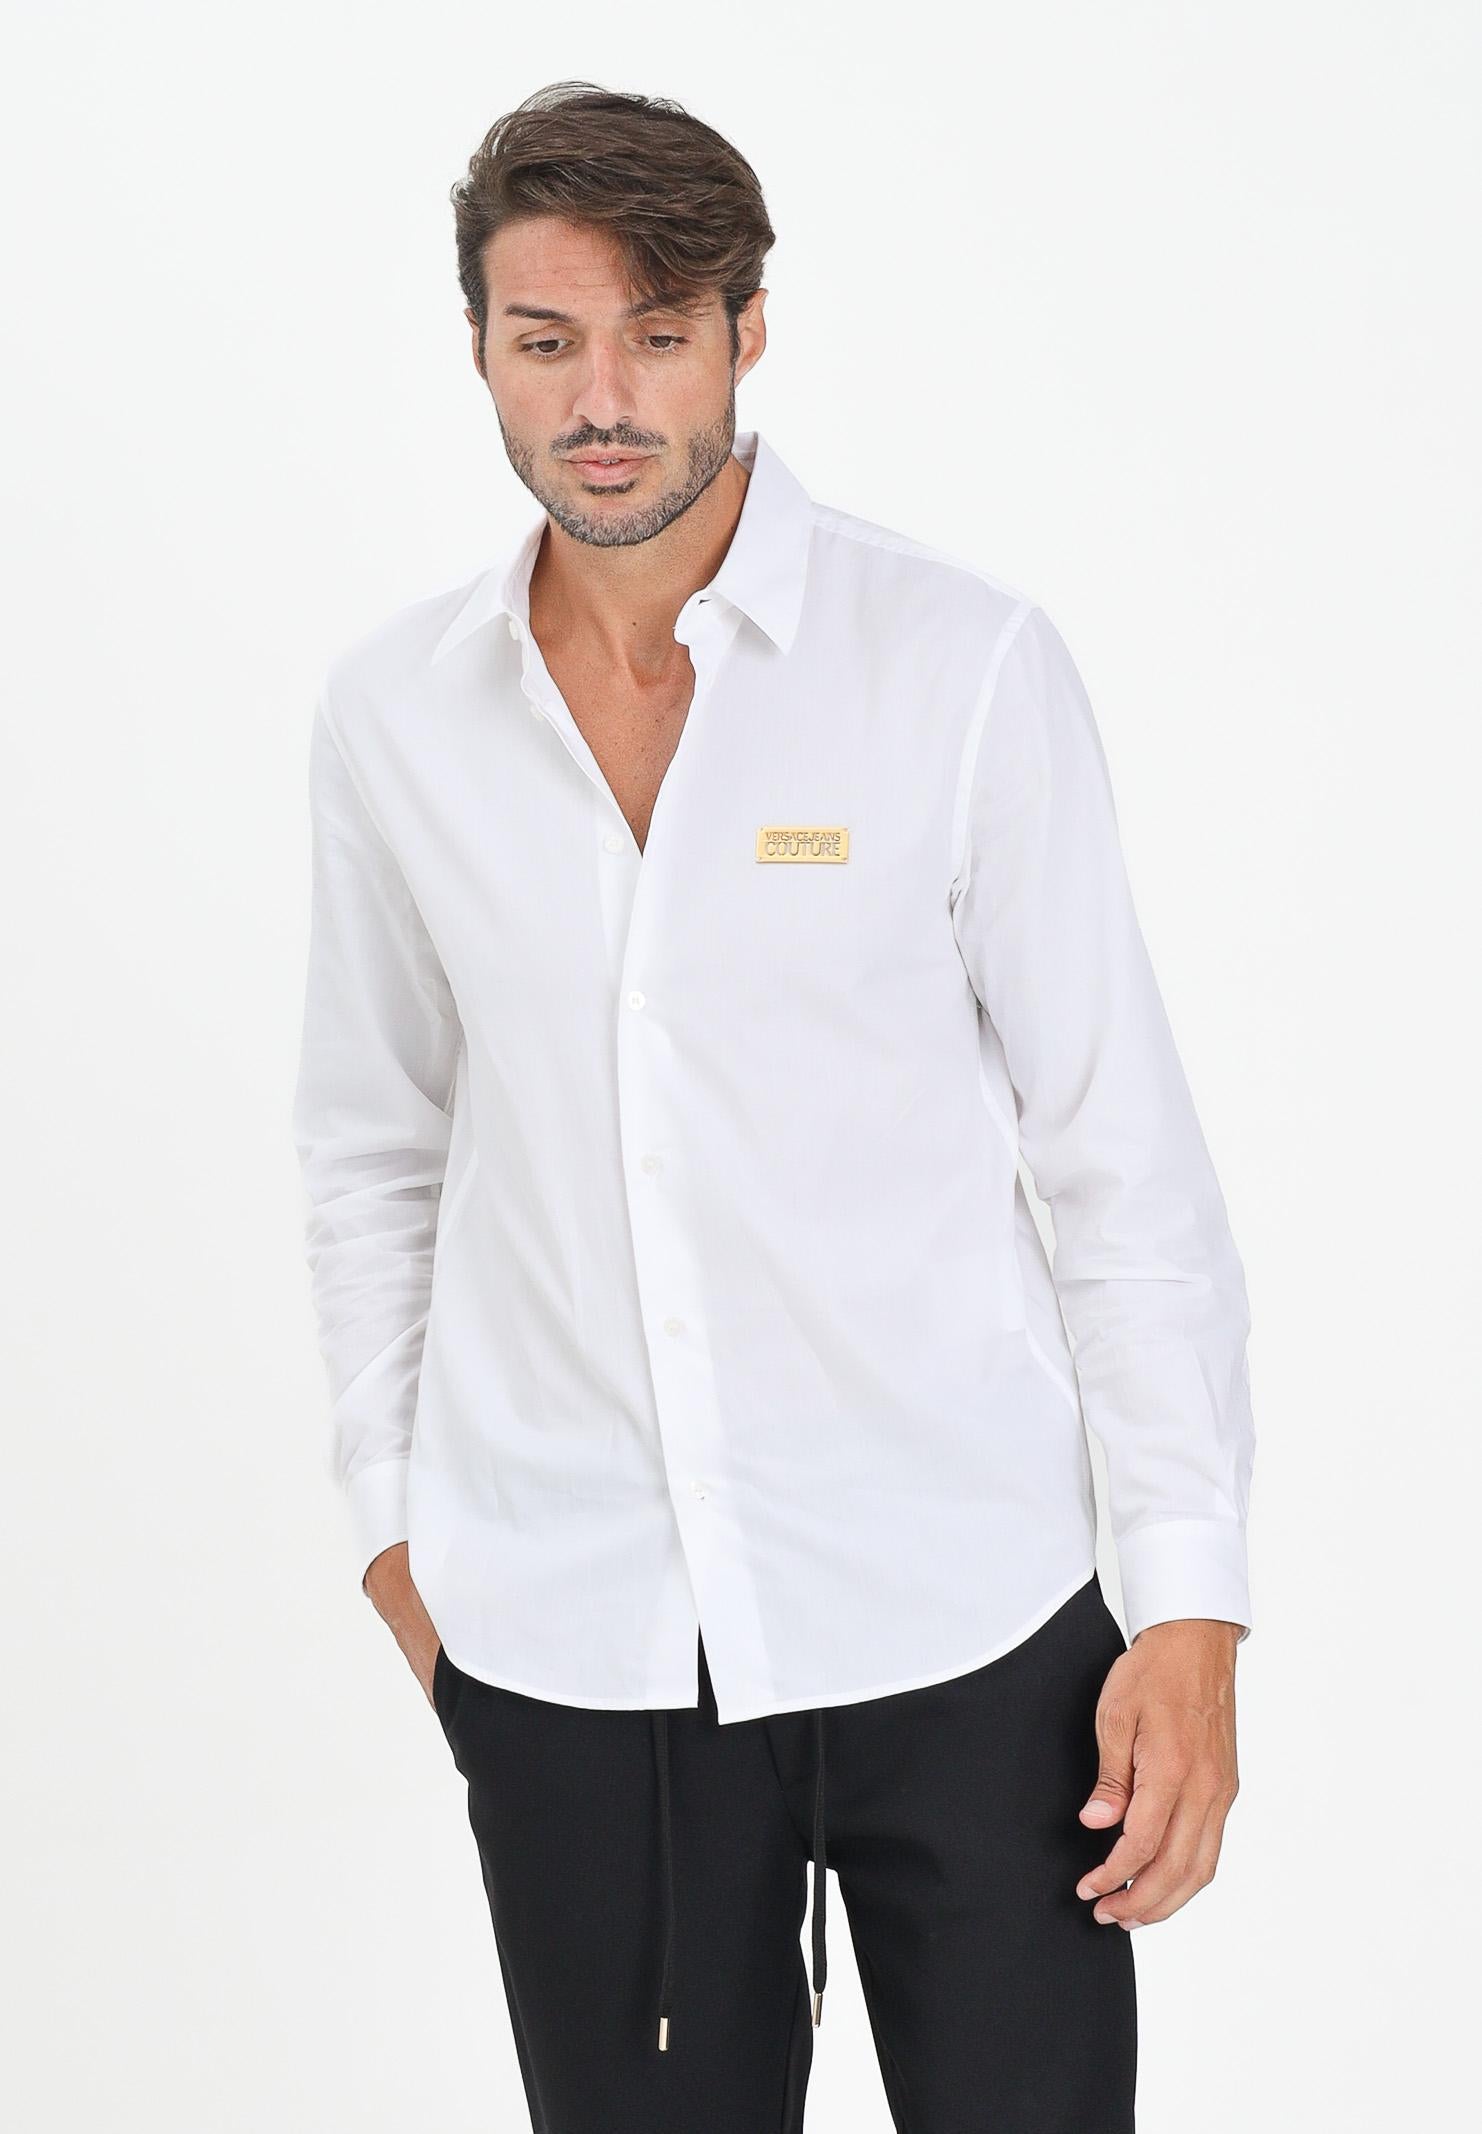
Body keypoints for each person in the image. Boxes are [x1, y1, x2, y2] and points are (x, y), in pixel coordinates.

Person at [291, 79, 1255, 2134]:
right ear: (477, 347)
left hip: (965, 1623)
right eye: (546, 339)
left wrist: (1188, 1595)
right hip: (574, 1649)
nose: (602, 398)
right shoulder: (396, 718)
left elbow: (1117, 1158)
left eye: (658, 334)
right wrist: (394, 1528)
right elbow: (372, 1142)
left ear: (746, 331)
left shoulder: (958, 668)